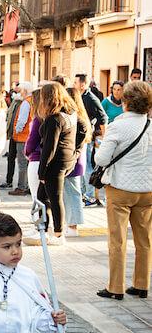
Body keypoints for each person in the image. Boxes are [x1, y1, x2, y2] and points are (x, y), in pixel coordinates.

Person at [95, 81, 152, 300]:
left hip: (120, 189)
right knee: (145, 240)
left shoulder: (118, 125)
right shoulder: (150, 125)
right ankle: (141, 284)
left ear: (125, 101)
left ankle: (115, 287)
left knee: (117, 240)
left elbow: (101, 159)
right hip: (147, 190)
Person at [25, 82, 78, 246]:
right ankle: (43, 229)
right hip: (65, 160)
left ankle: (58, 234)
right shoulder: (69, 114)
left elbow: (49, 148)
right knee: (42, 198)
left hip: (54, 163)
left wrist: (42, 173)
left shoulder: (54, 119)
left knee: (54, 198)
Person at [74, 74, 108, 206]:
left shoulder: (91, 98)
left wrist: (103, 137)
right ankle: (84, 194)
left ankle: (90, 196)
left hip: (87, 138)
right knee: (82, 166)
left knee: (87, 165)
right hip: (80, 137)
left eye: (76, 82)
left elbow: (103, 117)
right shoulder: (80, 97)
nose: (74, 84)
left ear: (82, 84)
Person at [63, 87, 92, 237]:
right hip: (78, 160)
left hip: (72, 159)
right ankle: (70, 224)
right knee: (71, 192)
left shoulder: (75, 118)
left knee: (72, 192)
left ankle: (73, 226)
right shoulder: (81, 116)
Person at [9, 82, 34, 196]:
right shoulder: (33, 101)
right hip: (30, 136)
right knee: (28, 163)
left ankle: (21, 187)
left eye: (21, 90)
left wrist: (16, 131)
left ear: (25, 91)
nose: (19, 91)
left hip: (23, 137)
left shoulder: (25, 103)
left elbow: (22, 121)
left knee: (22, 163)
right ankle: (29, 186)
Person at [0, 89, 21, 190]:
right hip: (13, 135)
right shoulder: (15, 102)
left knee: (22, 162)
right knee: (11, 158)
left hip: (20, 136)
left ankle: (22, 185)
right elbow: (10, 117)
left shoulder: (25, 103)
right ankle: (9, 181)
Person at [24, 88, 42, 202]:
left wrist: (27, 151)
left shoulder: (38, 119)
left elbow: (32, 139)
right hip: (43, 158)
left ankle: (38, 218)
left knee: (36, 195)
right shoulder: (48, 117)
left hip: (36, 158)